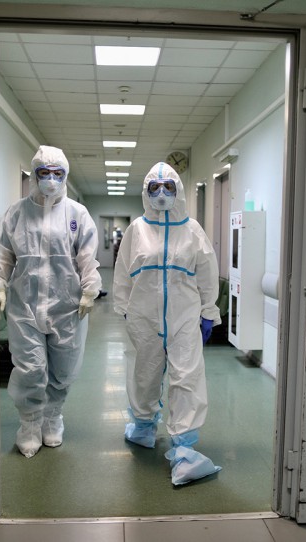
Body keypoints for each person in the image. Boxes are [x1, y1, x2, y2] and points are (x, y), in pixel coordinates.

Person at [113, 162, 222, 485]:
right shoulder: (136, 230)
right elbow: (122, 273)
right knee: (144, 372)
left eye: (169, 187)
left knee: (186, 377)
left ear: (179, 191)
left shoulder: (192, 230)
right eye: (154, 188)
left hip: (184, 317)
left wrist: (208, 310)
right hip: (144, 318)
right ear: (146, 192)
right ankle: (143, 426)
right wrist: (124, 308)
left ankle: (185, 447)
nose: (161, 193)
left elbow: (207, 272)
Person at [0, 145, 102, 458]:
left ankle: (52, 416)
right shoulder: (17, 212)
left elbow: (87, 257)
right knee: (29, 367)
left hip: (66, 304)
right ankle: (29, 423)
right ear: (34, 175)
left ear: (66, 176)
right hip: (25, 305)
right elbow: (4, 255)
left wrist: (90, 289)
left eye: (58, 173)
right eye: (44, 172)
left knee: (64, 367)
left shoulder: (77, 214)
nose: (51, 179)